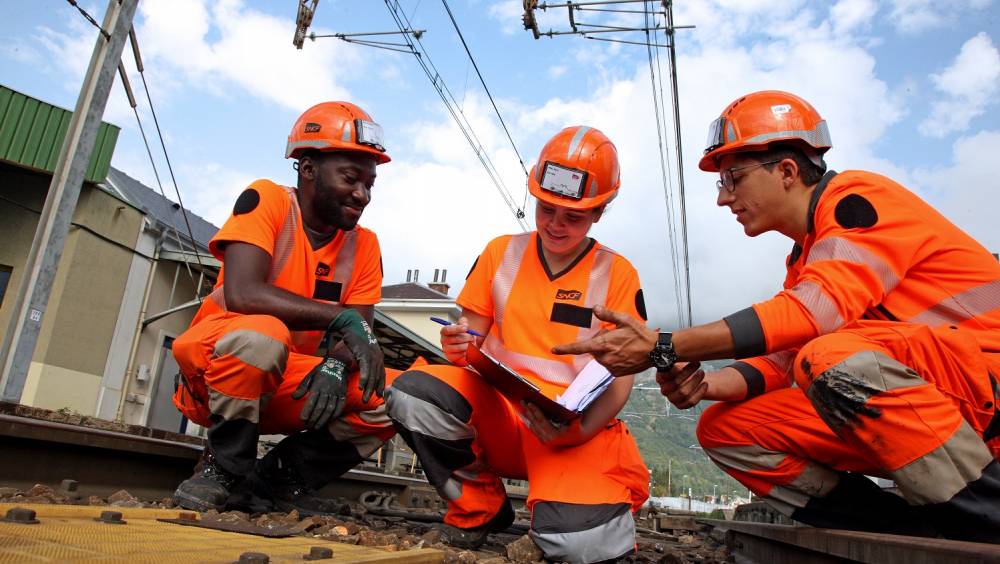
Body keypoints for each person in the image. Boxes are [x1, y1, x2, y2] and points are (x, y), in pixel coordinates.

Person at [553, 90, 1000, 543]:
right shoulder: (806, 259)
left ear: (786, 171)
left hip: (986, 388)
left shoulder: (860, 201)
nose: (724, 198)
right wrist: (705, 385)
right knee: (724, 427)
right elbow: (785, 359)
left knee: (830, 356)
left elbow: (810, 315)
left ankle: (982, 517)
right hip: (942, 404)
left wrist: (663, 346)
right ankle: (896, 531)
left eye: (734, 178)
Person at [385, 126, 650, 560]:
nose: (555, 224)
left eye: (573, 216)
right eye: (546, 209)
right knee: (414, 394)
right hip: (503, 420)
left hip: (574, 431)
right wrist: (458, 346)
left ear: (599, 212)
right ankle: (479, 508)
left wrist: (577, 431)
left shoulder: (617, 274)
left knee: (581, 545)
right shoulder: (500, 254)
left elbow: (620, 380)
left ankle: (574, 504)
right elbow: (469, 336)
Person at [171, 101, 397, 515]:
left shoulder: (366, 244)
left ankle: (275, 479)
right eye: (351, 178)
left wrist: (334, 365)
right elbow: (243, 292)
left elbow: (359, 336)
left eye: (370, 184)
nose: (362, 194)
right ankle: (222, 469)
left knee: (397, 395)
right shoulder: (266, 201)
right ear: (308, 168)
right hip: (217, 373)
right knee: (263, 335)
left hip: (290, 384)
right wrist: (338, 317)